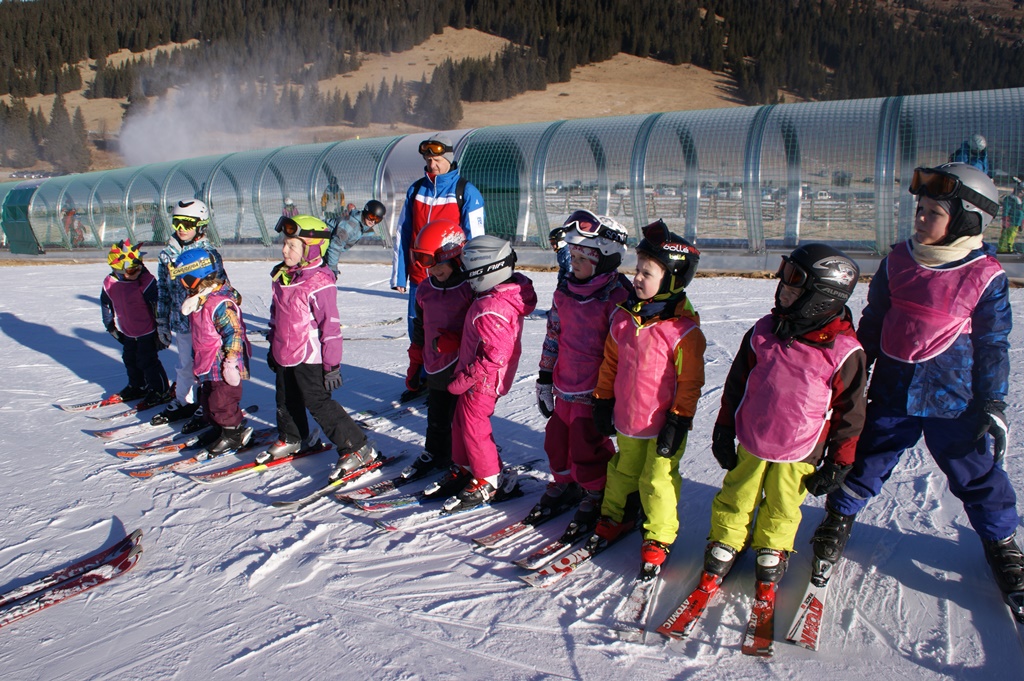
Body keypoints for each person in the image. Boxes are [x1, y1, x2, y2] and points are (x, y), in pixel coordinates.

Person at [811, 162, 1024, 608]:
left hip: (955, 398)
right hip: (894, 389)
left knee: (975, 470)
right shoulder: (899, 260)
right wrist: (854, 372)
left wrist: (993, 400)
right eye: (920, 209)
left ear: (966, 221)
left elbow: (992, 343)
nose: (921, 218)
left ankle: (1001, 541)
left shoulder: (984, 275)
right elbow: (874, 318)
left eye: (934, 212)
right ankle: (839, 516)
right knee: (868, 456)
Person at [704, 244, 866, 590]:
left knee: (784, 501)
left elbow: (850, 413)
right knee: (738, 492)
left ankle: (773, 545)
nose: (782, 291)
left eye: (793, 287)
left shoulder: (843, 351)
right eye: (784, 283)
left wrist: (839, 463)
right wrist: (723, 428)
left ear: (821, 296)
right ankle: (728, 537)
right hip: (754, 437)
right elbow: (736, 384)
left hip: (801, 449)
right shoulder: (764, 331)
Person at [587, 220, 706, 575]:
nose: (636, 278)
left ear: (671, 280)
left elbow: (690, 382)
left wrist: (679, 420)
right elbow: (610, 363)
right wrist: (602, 400)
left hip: (663, 424)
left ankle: (658, 536)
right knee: (623, 470)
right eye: (637, 269)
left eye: (647, 273)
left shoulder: (682, 331)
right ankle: (616, 515)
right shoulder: (624, 318)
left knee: (657, 481)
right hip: (628, 418)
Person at [533, 210, 632, 538]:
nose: (572, 263)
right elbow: (553, 336)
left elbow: (622, 355)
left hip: (594, 392)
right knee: (556, 441)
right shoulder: (564, 292)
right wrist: (544, 378)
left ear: (604, 259)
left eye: (581, 258)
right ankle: (565, 482)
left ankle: (597, 490)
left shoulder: (616, 300)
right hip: (564, 386)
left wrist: (614, 398)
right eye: (572, 256)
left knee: (587, 447)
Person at [421, 235, 537, 513]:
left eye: (471, 273)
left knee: (474, 429)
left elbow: (496, 356)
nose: (467, 279)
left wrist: (464, 379)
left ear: (486, 272)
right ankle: (465, 467)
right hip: (476, 378)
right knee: (460, 423)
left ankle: (488, 478)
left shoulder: (492, 307)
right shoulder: (490, 298)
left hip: (483, 382)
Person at [259, 215, 379, 480]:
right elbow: (275, 316)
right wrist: (272, 345)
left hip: (309, 355)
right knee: (285, 397)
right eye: (285, 244)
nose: (285, 250)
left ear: (312, 249)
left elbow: (331, 329)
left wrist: (332, 365)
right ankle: (294, 437)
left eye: (292, 245)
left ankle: (357, 446)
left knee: (318, 402)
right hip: (284, 351)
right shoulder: (282, 277)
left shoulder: (320, 283)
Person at [391, 133, 486, 348]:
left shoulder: (466, 192)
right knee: (418, 334)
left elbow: (475, 240)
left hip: (452, 280)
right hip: (420, 277)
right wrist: (400, 275)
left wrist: (476, 279)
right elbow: (404, 232)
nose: (432, 165)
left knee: (448, 336)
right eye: (428, 160)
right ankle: (420, 370)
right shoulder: (416, 190)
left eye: (436, 160)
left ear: (449, 159)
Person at [398, 220, 476, 481]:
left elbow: (482, 329)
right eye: (425, 263)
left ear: (454, 257)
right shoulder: (425, 290)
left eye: (436, 263)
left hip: (462, 366)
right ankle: (435, 452)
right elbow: (420, 330)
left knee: (460, 418)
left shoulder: (469, 289)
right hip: (434, 365)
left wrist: (455, 340)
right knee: (436, 415)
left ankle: (464, 459)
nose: (432, 270)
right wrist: (415, 365)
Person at [152, 199, 228, 427]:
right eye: (177, 223)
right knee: (185, 365)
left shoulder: (208, 253)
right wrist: (162, 322)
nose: (181, 229)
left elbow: (220, 285)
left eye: (187, 224)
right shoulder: (167, 255)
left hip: (205, 323)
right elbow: (163, 290)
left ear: (200, 226)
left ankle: (207, 404)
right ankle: (184, 401)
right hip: (181, 322)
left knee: (206, 365)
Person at [170, 248, 252, 456]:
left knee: (221, 402)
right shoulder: (201, 299)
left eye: (184, 279)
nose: (182, 284)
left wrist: (231, 361)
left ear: (196, 276)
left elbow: (234, 332)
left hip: (222, 364)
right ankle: (219, 429)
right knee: (207, 401)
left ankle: (233, 433)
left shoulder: (219, 303)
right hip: (207, 362)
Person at [100, 240, 170, 405]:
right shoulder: (110, 284)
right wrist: (110, 326)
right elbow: (106, 304)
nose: (138, 272)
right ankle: (137, 386)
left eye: (140, 267)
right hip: (128, 331)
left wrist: (161, 330)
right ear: (118, 270)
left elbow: (158, 306)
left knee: (147, 360)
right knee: (129, 359)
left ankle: (160, 390)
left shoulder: (145, 282)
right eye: (132, 270)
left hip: (147, 330)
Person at [324, 199, 387, 273]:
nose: (373, 221)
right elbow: (335, 247)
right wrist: (332, 270)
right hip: (316, 239)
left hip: (322, 246)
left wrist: (352, 210)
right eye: (372, 216)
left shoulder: (360, 224)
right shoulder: (351, 226)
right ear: (366, 211)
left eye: (377, 220)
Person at [997, 181, 1024, 254]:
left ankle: (1009, 247)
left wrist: (1022, 222)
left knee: (1012, 235)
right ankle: (1003, 249)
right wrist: (1005, 219)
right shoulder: (1009, 199)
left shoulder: (1021, 200)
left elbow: (1022, 212)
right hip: (1010, 220)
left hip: (1017, 221)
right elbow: (1006, 210)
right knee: (1006, 234)